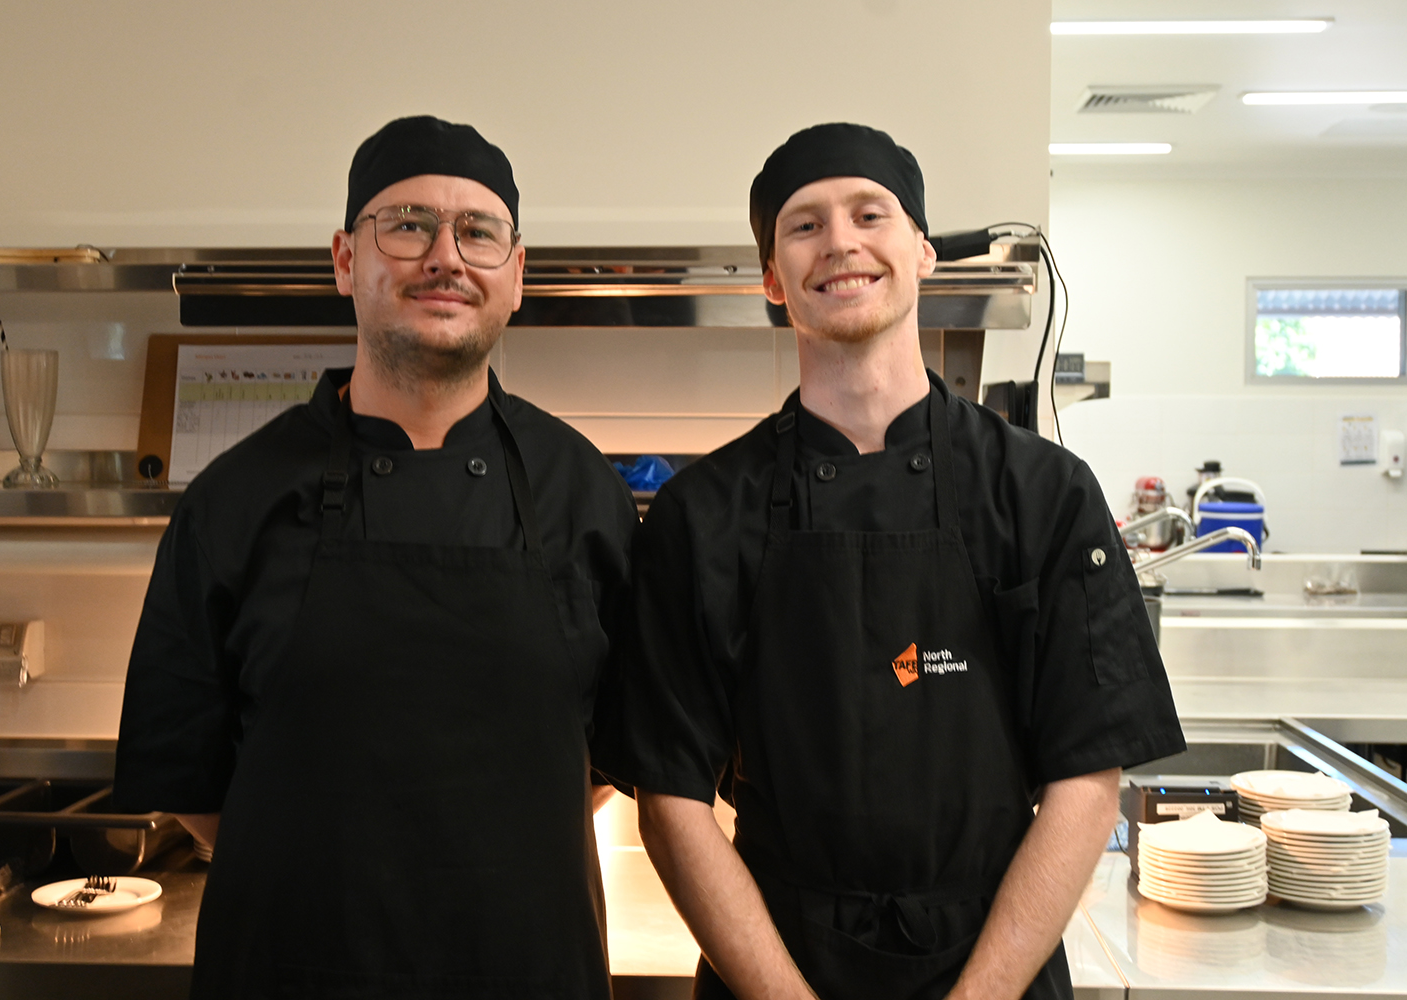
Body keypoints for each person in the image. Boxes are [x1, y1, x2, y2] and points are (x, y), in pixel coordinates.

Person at [607, 123, 1185, 1000]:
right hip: (774, 964)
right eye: (803, 225)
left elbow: (1087, 777)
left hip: (997, 962)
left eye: (868, 214)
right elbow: (671, 799)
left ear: (920, 252)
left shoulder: (1042, 494)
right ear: (772, 279)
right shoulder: (704, 514)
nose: (840, 241)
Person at [115, 115, 637, 999]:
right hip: (291, 970)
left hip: (526, 970)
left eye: (478, 231)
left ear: (516, 274)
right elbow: (193, 783)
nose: (446, 255)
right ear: (345, 260)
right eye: (406, 224)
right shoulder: (236, 500)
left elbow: (617, 753)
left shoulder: (584, 494)